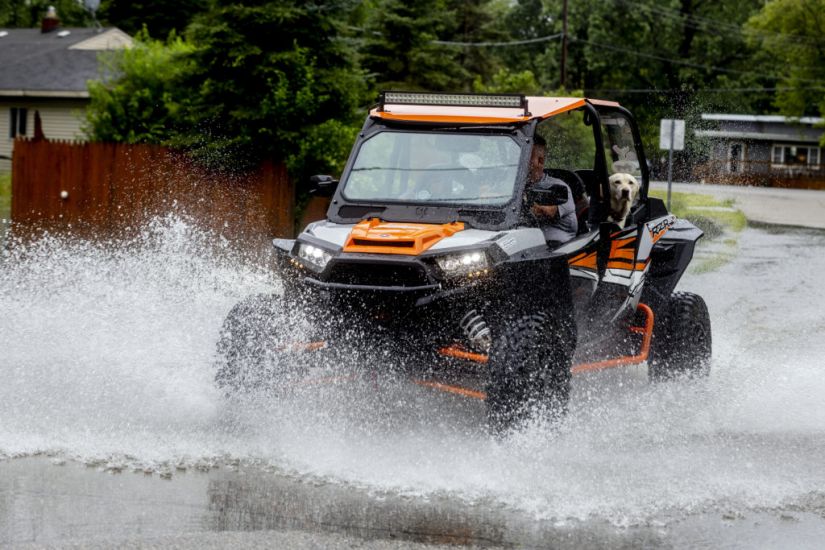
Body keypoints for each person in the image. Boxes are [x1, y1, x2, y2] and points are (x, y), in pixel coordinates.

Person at [527, 136, 578, 242]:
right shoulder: (513, 187)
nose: (519, 162)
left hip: (560, 248)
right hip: (528, 243)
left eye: (525, 158)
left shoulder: (559, 187)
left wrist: (524, 201)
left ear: (540, 161)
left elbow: (550, 212)